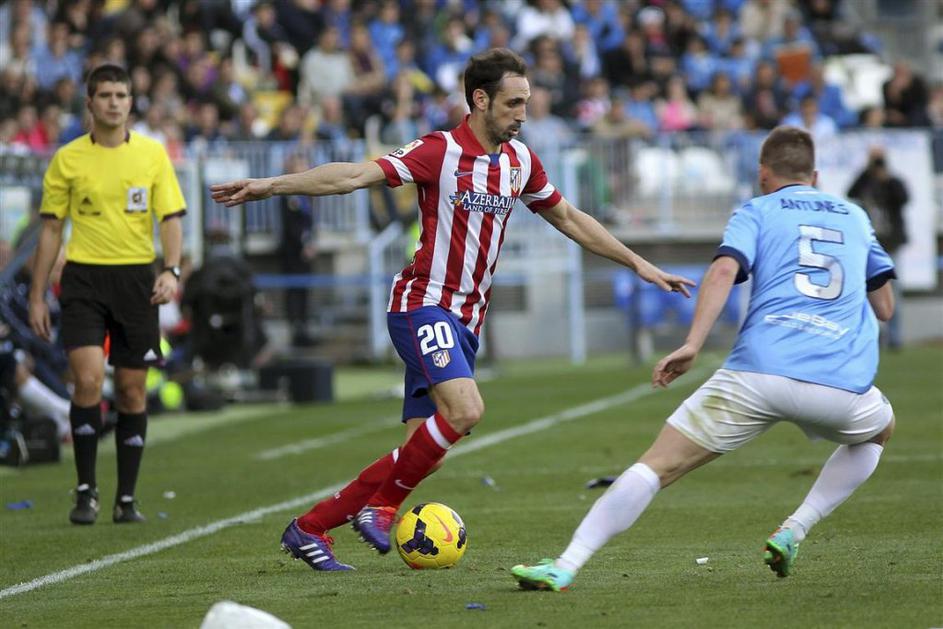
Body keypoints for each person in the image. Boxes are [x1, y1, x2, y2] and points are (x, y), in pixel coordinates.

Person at [211, 48, 695, 571]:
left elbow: (571, 219)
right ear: (480, 100)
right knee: (465, 412)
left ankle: (309, 529)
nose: (523, 114)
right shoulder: (438, 151)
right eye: (513, 104)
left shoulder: (519, 161)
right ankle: (382, 507)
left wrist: (638, 263)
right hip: (422, 305)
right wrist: (270, 185)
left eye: (526, 102)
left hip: (465, 322)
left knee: (423, 453)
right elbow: (352, 176)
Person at [511, 126, 897, 591]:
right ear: (814, 176)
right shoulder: (854, 216)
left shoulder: (756, 210)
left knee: (656, 466)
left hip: (758, 373)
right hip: (840, 383)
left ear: (763, 174)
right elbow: (885, 307)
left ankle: (566, 564)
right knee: (880, 430)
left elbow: (723, 269)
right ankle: (794, 529)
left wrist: (693, 343)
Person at [28, 63, 186, 525]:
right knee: (89, 381)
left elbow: (170, 218)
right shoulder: (68, 159)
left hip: (136, 280)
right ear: (90, 103)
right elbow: (50, 229)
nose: (114, 103)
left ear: (131, 102)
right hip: (83, 280)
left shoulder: (152, 155)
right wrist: (37, 295)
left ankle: (126, 499)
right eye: (105, 95)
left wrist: (172, 269)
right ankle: (86, 491)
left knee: (133, 391)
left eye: (121, 95)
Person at [847, 147, 909, 349]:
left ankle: (894, 337)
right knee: (869, 291)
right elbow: (851, 192)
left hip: (890, 244)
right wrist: (867, 170)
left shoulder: (893, 182)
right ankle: (875, 335)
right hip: (872, 245)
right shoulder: (866, 181)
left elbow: (904, 198)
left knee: (892, 293)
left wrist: (886, 178)